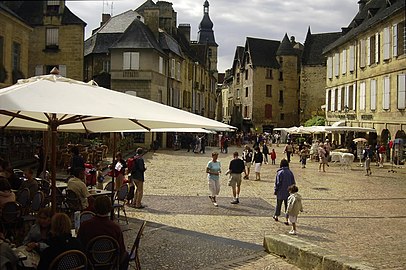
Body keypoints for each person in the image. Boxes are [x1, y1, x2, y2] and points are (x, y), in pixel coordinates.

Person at [77, 195, 129, 270]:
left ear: (95, 207)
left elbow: (80, 246)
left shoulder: (85, 226)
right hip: (110, 264)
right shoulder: (115, 228)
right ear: (109, 209)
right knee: (126, 255)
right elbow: (121, 251)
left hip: (90, 264)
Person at [273, 159, 296, 224]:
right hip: (289, 192)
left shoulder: (279, 173)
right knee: (287, 206)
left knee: (278, 204)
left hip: (280, 191)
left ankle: (276, 216)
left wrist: (275, 190)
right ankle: (287, 219)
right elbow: (293, 182)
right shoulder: (290, 172)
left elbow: (277, 183)